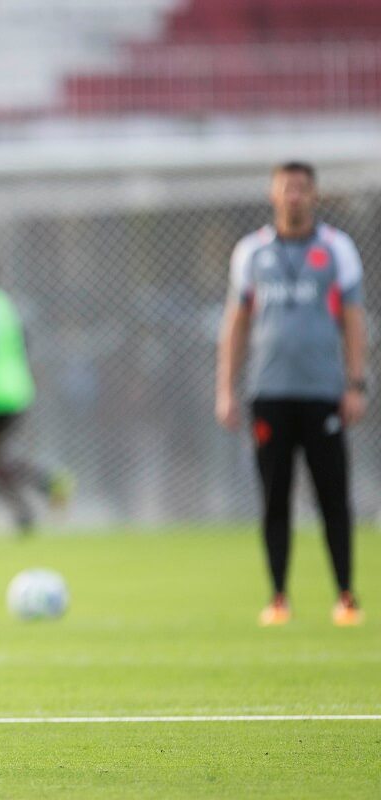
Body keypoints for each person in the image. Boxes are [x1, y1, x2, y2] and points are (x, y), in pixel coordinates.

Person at [216, 161, 366, 627]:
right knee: (274, 497)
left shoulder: (337, 249)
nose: (294, 196)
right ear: (273, 195)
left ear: (314, 195)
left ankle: (345, 595)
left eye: (302, 188)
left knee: (332, 496)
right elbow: (236, 323)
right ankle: (277, 597)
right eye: (287, 188)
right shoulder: (251, 252)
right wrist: (226, 387)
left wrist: (356, 383)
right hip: (269, 392)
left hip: (323, 392)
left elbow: (354, 320)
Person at [0, 256, 71, 533]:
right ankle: (43, 489)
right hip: (16, 388)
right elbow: (23, 339)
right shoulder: (4, 302)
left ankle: (26, 509)